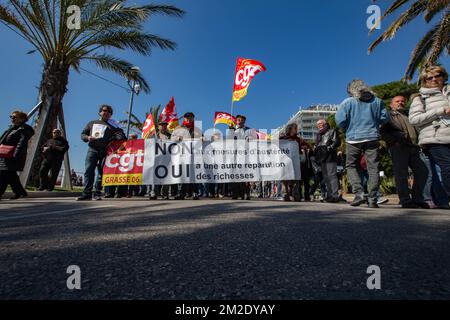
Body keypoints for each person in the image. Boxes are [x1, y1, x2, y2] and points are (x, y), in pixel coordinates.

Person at [336, 79, 389, 208]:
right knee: (373, 168)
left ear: (351, 90)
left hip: (353, 138)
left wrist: (347, 128)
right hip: (372, 137)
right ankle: (372, 198)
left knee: (351, 165)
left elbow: (340, 120)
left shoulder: (348, 102)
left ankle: (358, 193)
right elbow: (384, 118)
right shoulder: (377, 101)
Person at [409, 65, 450, 202]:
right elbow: (414, 119)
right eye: (429, 77)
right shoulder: (420, 98)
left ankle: (442, 200)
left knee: (440, 171)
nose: (433, 79)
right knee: (447, 167)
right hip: (435, 138)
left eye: (437, 76)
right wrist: (440, 111)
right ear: (424, 81)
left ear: (443, 76)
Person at [380, 96, 430, 208]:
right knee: (401, 174)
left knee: (423, 172)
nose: (400, 103)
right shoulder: (388, 115)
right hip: (398, 147)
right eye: (397, 101)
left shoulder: (410, 114)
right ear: (391, 104)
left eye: (403, 101)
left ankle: (417, 198)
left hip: (414, 147)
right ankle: (405, 200)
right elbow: (382, 132)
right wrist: (393, 142)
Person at [77, 105, 126, 201]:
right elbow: (83, 134)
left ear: (111, 115)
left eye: (109, 112)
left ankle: (97, 193)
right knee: (89, 171)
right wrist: (88, 138)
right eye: (104, 110)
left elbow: (123, 136)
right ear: (100, 112)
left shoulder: (113, 126)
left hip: (105, 151)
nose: (106, 112)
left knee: (101, 173)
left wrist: (118, 136)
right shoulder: (92, 123)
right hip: (92, 149)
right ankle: (86, 193)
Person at [0, 110, 35, 200]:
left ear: (22, 119)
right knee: (11, 176)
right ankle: (20, 192)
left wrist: (15, 156)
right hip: (5, 155)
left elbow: (21, 143)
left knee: (4, 174)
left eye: (15, 117)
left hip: (13, 155)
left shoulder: (25, 129)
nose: (12, 118)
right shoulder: (12, 128)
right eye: (11, 117)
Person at [171, 112, 202, 200]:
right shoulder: (178, 128)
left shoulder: (197, 129)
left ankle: (195, 193)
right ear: (184, 118)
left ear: (193, 118)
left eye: (190, 117)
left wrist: (202, 139)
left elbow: (201, 139)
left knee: (192, 175)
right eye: (187, 117)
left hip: (193, 155)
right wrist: (177, 138)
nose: (188, 118)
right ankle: (181, 193)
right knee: (183, 175)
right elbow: (172, 139)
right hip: (182, 155)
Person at [227, 115, 257, 200]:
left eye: (242, 120)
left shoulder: (248, 130)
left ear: (244, 121)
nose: (240, 121)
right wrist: (230, 130)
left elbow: (253, 137)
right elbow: (229, 140)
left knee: (245, 175)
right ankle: (235, 193)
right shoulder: (232, 129)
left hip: (245, 155)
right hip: (234, 155)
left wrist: (249, 138)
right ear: (236, 120)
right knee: (235, 175)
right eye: (239, 120)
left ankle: (246, 193)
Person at [314, 119, 342, 202]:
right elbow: (318, 144)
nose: (319, 125)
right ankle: (329, 195)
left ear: (325, 124)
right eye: (317, 124)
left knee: (332, 175)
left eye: (320, 123)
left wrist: (328, 148)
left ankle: (334, 195)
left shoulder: (331, 131)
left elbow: (337, 141)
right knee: (326, 177)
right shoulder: (319, 134)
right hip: (322, 157)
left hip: (330, 156)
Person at [280, 123, 302, 201]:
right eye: (295, 128)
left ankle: (296, 195)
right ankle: (285, 195)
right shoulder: (282, 138)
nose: (296, 129)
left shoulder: (298, 139)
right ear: (290, 129)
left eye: (296, 128)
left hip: (295, 161)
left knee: (296, 178)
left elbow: (300, 149)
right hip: (285, 161)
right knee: (285, 178)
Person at [150, 121, 172, 200]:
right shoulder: (154, 136)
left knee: (167, 177)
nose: (164, 127)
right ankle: (154, 193)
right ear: (158, 127)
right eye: (162, 125)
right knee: (155, 176)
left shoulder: (170, 136)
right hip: (156, 159)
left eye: (165, 125)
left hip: (168, 159)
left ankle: (165, 194)